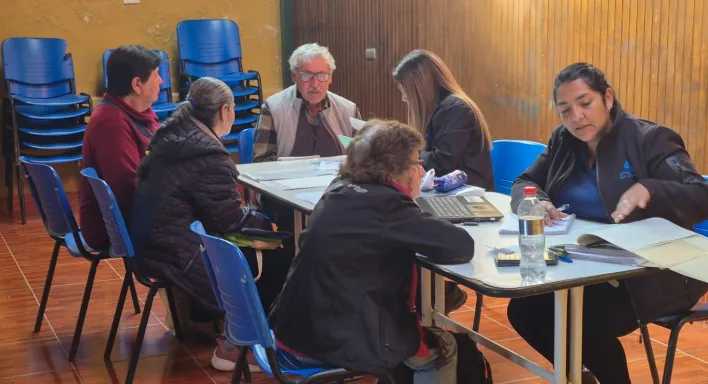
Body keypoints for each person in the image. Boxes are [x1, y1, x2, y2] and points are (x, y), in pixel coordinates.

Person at [506, 63, 708, 384]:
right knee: (524, 310)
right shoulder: (563, 140)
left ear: (608, 98)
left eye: (585, 103)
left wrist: (651, 188)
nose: (576, 117)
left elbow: (702, 198)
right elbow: (525, 182)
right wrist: (538, 201)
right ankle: (583, 376)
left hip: (652, 275)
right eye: (565, 110)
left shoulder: (650, 139)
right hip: (588, 266)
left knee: (579, 319)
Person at [270, 120, 474, 383]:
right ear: (396, 169)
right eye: (416, 162)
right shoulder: (389, 206)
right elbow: (461, 245)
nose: (422, 170)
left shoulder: (337, 189)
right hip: (332, 343)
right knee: (443, 348)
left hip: (294, 330)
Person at [129, 77, 282, 373]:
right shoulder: (209, 155)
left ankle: (233, 334)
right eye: (234, 109)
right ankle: (241, 344)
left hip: (155, 242)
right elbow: (231, 222)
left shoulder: (172, 134)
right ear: (224, 111)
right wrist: (270, 227)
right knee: (279, 255)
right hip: (176, 254)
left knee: (258, 243)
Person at [250, 42, 362, 306]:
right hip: (284, 195)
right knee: (302, 227)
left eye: (322, 75)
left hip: (333, 194)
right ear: (294, 76)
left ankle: (339, 296)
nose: (315, 83)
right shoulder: (273, 107)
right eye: (307, 75)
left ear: (331, 77)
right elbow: (261, 163)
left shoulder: (348, 109)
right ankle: (301, 297)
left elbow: (361, 161)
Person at [393, 49, 495, 313]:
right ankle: (434, 297)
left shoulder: (455, 109)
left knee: (403, 234)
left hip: (471, 201)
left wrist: (403, 152)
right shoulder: (440, 109)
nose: (403, 97)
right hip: (446, 199)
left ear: (420, 87)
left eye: (405, 90)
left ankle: (437, 297)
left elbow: (441, 162)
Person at [80, 45, 162, 249]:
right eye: (156, 75)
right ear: (137, 84)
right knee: (202, 230)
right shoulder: (111, 122)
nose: (161, 81)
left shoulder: (142, 113)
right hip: (116, 226)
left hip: (142, 211)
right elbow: (127, 187)